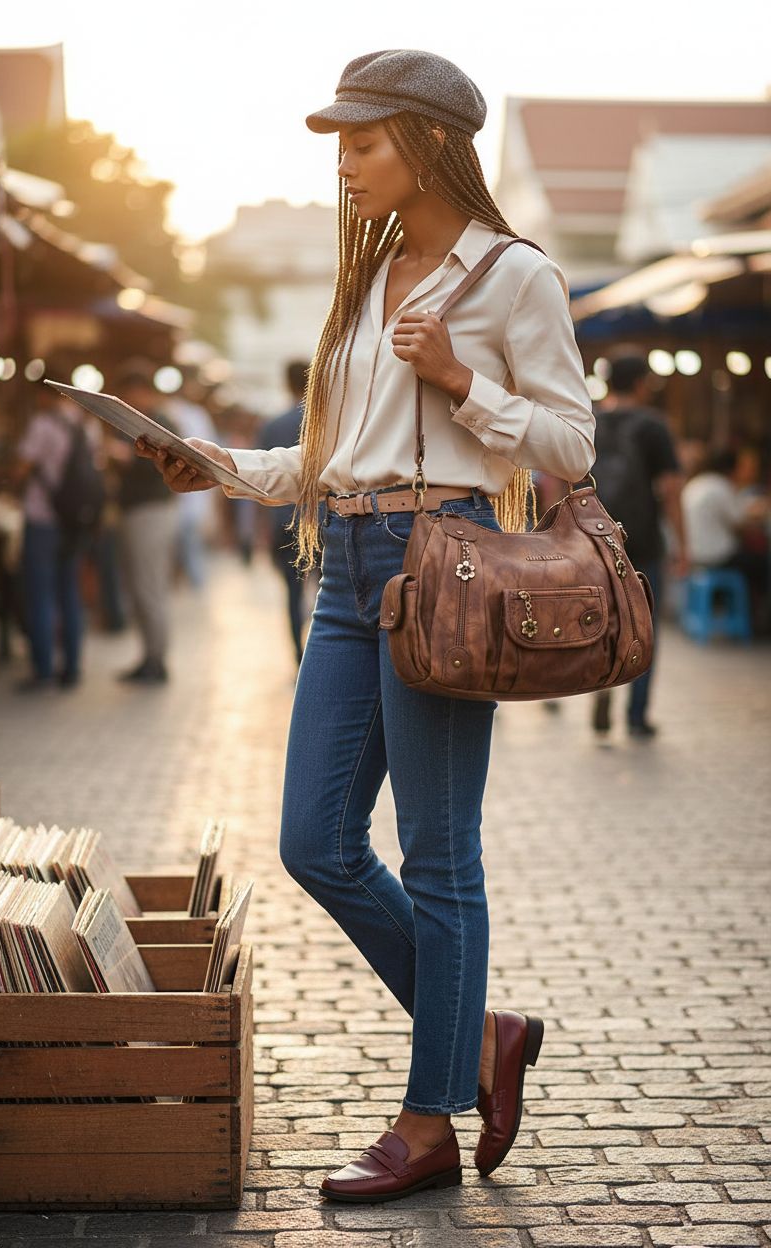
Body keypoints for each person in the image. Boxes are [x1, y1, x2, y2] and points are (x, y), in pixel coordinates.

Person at [136, 49, 595, 1201]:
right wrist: (222, 469)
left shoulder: (512, 279)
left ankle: (428, 1118)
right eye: (340, 143)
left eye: (363, 140)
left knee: (437, 859)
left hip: (445, 568)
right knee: (314, 842)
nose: (344, 162)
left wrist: (463, 383)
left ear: (431, 141)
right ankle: (482, 1033)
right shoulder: (371, 272)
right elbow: (327, 457)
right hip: (344, 568)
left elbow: (571, 446)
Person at [589, 350, 688, 738]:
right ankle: (636, 713)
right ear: (643, 382)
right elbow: (671, 489)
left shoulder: (591, 422)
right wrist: (682, 545)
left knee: (601, 621)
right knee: (644, 626)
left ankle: (601, 684)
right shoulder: (653, 425)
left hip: (596, 540)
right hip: (643, 541)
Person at [15, 387, 104, 691]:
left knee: (40, 595)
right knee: (70, 592)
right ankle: (72, 668)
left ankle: (42, 671)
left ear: (43, 393)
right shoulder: (87, 426)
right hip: (75, 522)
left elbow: (22, 467)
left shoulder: (42, 425)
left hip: (43, 519)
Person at [109, 368, 180, 683]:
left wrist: (123, 458)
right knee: (140, 587)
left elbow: (170, 465)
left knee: (149, 587)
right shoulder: (134, 425)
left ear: (144, 392)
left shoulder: (160, 423)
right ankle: (149, 656)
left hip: (151, 511)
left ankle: (156, 660)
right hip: (139, 511)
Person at [681, 447, 770, 631]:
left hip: (694, 554)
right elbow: (740, 524)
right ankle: (760, 622)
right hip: (717, 556)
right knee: (763, 564)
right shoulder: (720, 486)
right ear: (732, 468)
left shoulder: (697, 483)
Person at [257, 360, 311, 665]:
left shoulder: (272, 424)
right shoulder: (328, 419)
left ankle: (298, 656)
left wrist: (260, 530)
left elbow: (263, 475)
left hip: (283, 521)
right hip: (324, 517)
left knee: (292, 591)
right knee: (326, 592)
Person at [165, 367, 220, 588]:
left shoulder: (195, 415)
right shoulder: (176, 412)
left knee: (188, 544)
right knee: (184, 545)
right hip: (179, 496)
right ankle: (192, 584)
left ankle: (195, 585)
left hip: (191, 495)